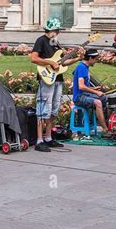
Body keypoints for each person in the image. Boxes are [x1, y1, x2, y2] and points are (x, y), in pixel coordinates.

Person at [30, 17, 79, 152]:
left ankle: (48, 137)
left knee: (54, 109)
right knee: (43, 108)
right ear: (50, 29)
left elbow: (63, 62)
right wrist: (50, 63)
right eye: (56, 30)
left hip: (57, 79)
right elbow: (33, 58)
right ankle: (39, 140)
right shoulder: (41, 40)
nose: (58, 33)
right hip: (46, 78)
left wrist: (78, 58)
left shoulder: (56, 44)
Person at [72, 48, 109, 134]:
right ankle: (105, 129)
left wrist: (94, 88)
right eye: (95, 59)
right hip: (79, 97)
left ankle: (100, 120)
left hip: (84, 94)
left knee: (104, 97)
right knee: (98, 102)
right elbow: (81, 87)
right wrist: (96, 92)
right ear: (90, 58)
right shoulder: (81, 67)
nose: (96, 61)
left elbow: (84, 86)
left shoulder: (85, 67)